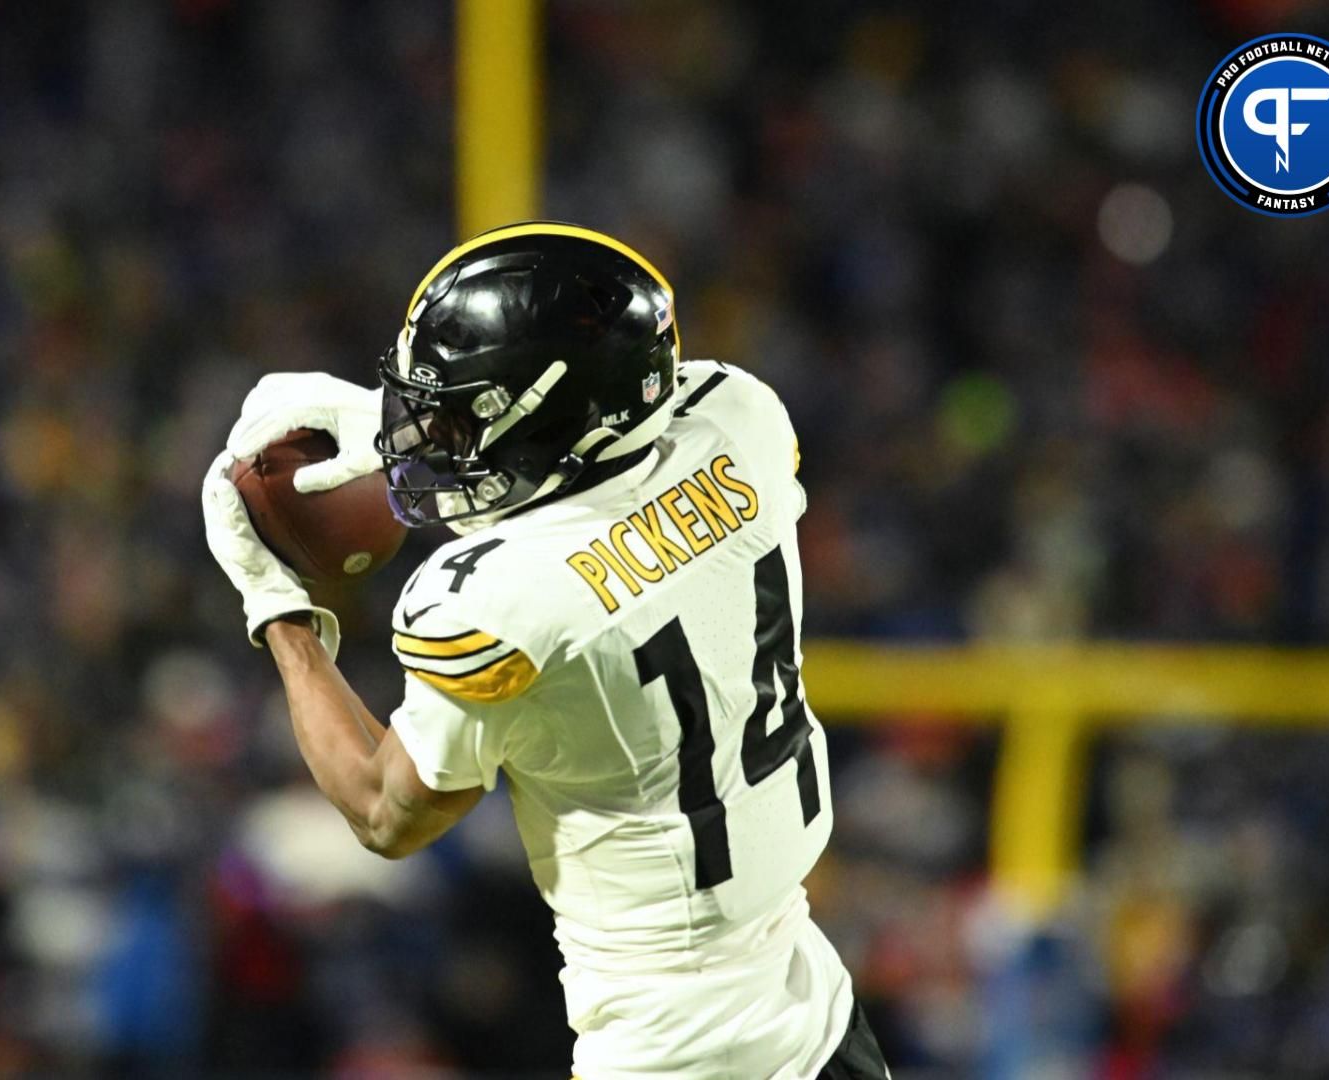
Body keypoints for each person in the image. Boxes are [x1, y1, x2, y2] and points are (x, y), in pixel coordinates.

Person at [201, 222, 889, 1078]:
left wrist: (280, 613)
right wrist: (391, 424)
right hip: (811, 1004)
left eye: (462, 409)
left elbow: (385, 810)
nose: (432, 433)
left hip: (672, 1049)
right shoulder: (742, 420)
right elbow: (597, 490)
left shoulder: (494, 604)